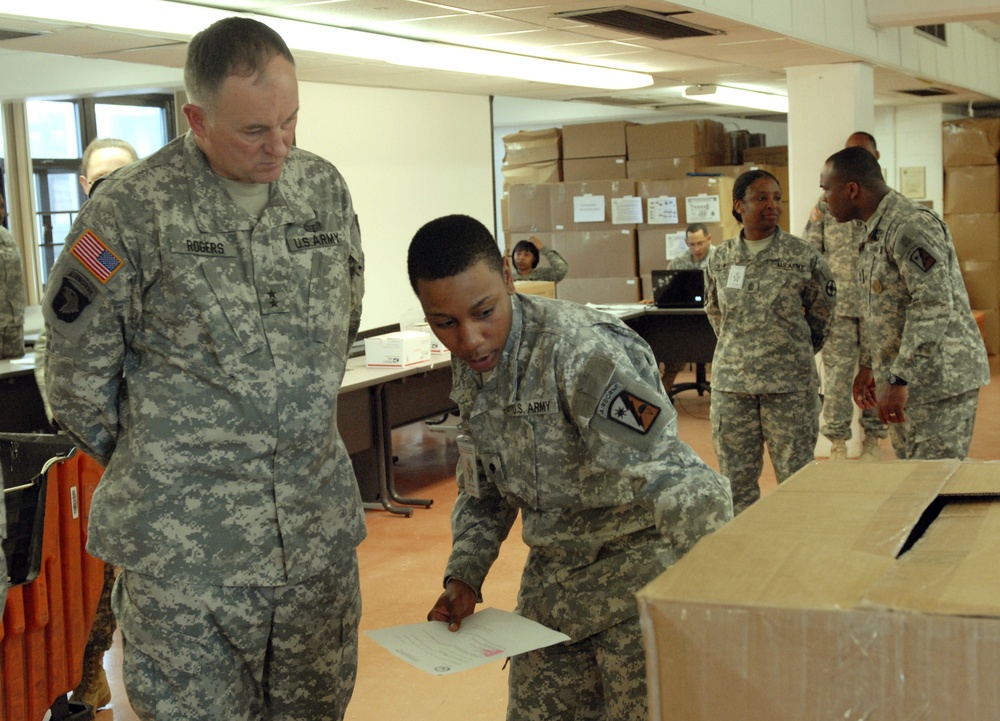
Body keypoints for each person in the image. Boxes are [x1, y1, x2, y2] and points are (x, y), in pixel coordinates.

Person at [42, 17, 365, 721]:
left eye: (290, 121)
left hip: (315, 543)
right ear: (197, 118)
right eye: (254, 131)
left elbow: (342, 321)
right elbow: (72, 375)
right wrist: (167, 458)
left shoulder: (323, 191)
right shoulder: (126, 213)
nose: (278, 145)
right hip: (188, 559)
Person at [409, 214, 732, 721]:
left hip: (638, 582)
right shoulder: (475, 364)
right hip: (554, 590)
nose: (469, 339)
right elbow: (484, 488)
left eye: (483, 312)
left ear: (507, 276)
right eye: (444, 323)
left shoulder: (582, 351)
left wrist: (726, 601)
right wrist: (465, 577)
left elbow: (675, 476)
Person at [820, 146, 990, 460]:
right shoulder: (872, 229)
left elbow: (932, 304)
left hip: (939, 382)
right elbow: (880, 306)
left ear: (852, 190)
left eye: (826, 190)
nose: (823, 200)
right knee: (913, 482)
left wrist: (899, 378)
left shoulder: (909, 226)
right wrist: (871, 365)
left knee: (934, 485)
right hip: (907, 380)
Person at [704, 170, 836, 515]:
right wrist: (741, 349)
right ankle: (746, 552)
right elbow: (716, 312)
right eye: (761, 198)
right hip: (733, 388)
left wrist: (790, 350)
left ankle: (797, 549)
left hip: (789, 388)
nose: (772, 205)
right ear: (739, 205)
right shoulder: (720, 259)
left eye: (777, 198)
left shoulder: (802, 256)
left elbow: (823, 316)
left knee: (796, 479)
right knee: (735, 482)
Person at [803, 132, 887, 462]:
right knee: (836, 378)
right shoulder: (826, 203)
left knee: (877, 372)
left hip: (876, 308)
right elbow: (811, 251)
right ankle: (837, 442)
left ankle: (874, 440)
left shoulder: (886, 205)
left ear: (875, 158)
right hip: (837, 308)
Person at [0, 192, 25, 360]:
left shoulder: (6, 236)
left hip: (12, 324)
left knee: (15, 382)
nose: (0, 211)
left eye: (1, 206)